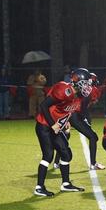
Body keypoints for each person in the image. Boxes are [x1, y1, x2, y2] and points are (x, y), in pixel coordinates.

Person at [33, 68, 90, 197]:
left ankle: (66, 184)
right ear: (78, 80)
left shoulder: (77, 96)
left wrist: (66, 122)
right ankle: (39, 187)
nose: (87, 87)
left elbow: (65, 109)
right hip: (44, 126)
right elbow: (43, 106)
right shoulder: (64, 90)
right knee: (48, 155)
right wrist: (52, 124)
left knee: (66, 154)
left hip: (56, 127)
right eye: (86, 83)